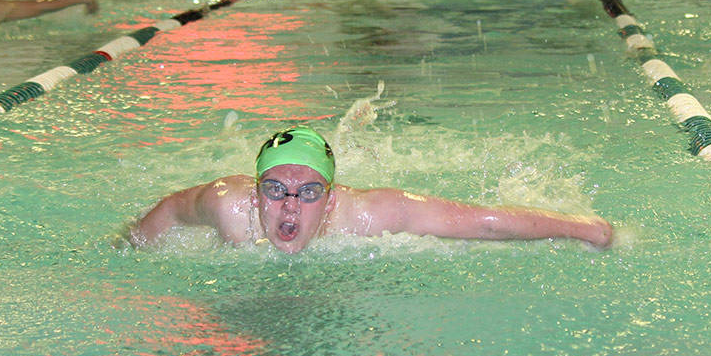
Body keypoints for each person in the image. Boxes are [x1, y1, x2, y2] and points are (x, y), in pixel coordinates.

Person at [128, 126, 614, 253]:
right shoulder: (225, 204)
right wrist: (125, 246)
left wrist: (582, 229)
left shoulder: (367, 216)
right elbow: (171, 209)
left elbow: (483, 223)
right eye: (275, 190)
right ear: (255, 195)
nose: (289, 205)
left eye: (309, 192)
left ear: (333, 198)